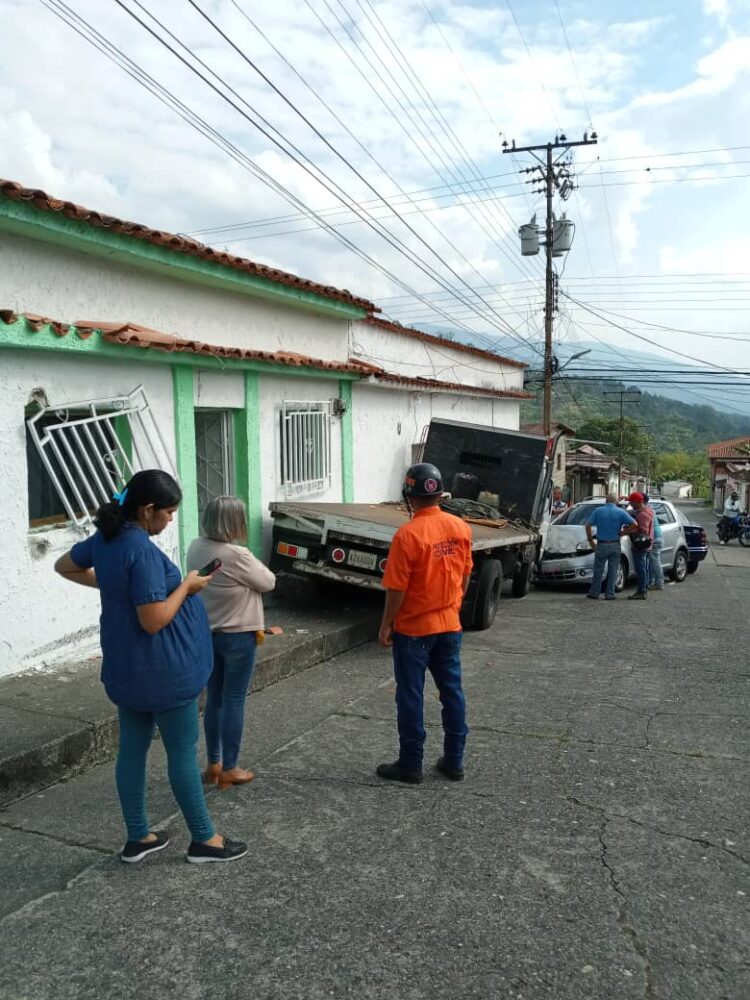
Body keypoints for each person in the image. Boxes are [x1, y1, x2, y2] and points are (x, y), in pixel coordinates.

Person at [54, 470, 247, 865]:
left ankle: (139, 836)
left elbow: (65, 566)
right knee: (180, 751)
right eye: (169, 512)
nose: (171, 520)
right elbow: (154, 619)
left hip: (127, 667)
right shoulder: (139, 549)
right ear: (147, 510)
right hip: (163, 670)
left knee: (132, 750)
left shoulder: (107, 538)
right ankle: (204, 840)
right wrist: (187, 587)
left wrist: (114, 587)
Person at [376, 463, 472, 785]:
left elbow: (397, 588)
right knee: (452, 693)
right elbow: (466, 573)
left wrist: (386, 624)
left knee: (411, 696)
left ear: (409, 496)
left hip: (414, 630)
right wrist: (454, 605)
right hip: (450, 624)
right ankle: (454, 761)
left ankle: (410, 764)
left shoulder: (407, 534)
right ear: (439, 494)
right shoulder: (461, 527)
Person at [187, 496, 275, 790]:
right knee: (234, 699)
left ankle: (213, 764)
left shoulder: (196, 547)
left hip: (207, 635)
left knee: (214, 699)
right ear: (235, 523)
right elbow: (268, 582)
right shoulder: (237, 554)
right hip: (238, 636)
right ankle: (230, 767)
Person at [584, 494, 636, 601]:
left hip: (601, 544)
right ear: (616, 502)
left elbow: (588, 525)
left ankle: (594, 593)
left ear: (606, 501)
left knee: (598, 569)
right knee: (613, 570)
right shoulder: (621, 512)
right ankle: (610, 594)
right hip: (615, 544)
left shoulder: (598, 511)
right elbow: (635, 524)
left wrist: (590, 540)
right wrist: (624, 532)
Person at [622, 491, 654, 601]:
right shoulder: (648, 510)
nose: (630, 504)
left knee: (640, 569)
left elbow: (642, 531)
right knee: (644, 568)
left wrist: (627, 531)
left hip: (641, 546)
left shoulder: (642, 514)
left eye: (631, 502)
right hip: (647, 545)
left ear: (637, 502)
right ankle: (644, 589)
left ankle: (641, 591)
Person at [644, 495, 665, 592]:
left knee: (655, 561)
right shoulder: (650, 508)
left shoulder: (646, 510)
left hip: (654, 538)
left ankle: (659, 583)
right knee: (653, 561)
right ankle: (651, 582)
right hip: (658, 537)